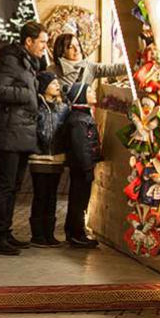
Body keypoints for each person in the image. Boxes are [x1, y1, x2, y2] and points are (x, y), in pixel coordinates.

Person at [0, 21, 48, 255]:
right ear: (28, 41)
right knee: (5, 185)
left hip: (21, 131)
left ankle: (6, 232)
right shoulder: (11, 59)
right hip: (10, 131)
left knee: (14, 186)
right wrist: (27, 95)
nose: (44, 46)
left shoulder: (29, 62)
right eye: (42, 41)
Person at [29, 71, 70, 248]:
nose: (57, 86)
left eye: (57, 83)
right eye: (53, 83)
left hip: (56, 158)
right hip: (39, 158)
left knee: (52, 195)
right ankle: (37, 234)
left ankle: (49, 233)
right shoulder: (37, 106)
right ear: (44, 87)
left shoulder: (63, 107)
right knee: (40, 195)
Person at [62, 81, 102, 248]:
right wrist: (87, 167)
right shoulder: (80, 120)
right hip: (81, 167)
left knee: (78, 200)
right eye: (90, 91)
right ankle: (76, 233)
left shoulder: (82, 116)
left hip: (81, 166)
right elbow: (81, 146)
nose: (94, 93)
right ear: (82, 96)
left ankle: (75, 232)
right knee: (79, 200)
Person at [49, 33, 127, 94]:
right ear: (62, 51)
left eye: (78, 45)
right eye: (70, 47)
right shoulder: (52, 71)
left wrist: (131, 67)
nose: (77, 49)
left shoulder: (89, 67)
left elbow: (112, 69)